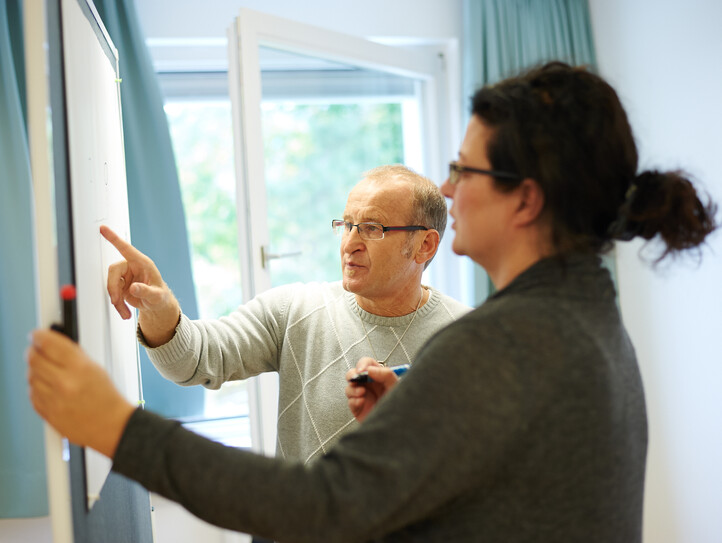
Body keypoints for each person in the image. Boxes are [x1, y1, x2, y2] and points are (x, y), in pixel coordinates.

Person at [27, 62, 717, 542]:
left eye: (464, 170)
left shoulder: (498, 342)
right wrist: (412, 421)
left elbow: (321, 505)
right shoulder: (589, 320)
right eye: (347, 223)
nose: (449, 191)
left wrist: (116, 426)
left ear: (526, 200)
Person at [99, 164, 469, 464]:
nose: (350, 243)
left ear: (424, 245)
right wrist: (159, 308)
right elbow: (194, 361)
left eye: (372, 228)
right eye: (346, 224)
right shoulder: (295, 310)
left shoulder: (468, 337)